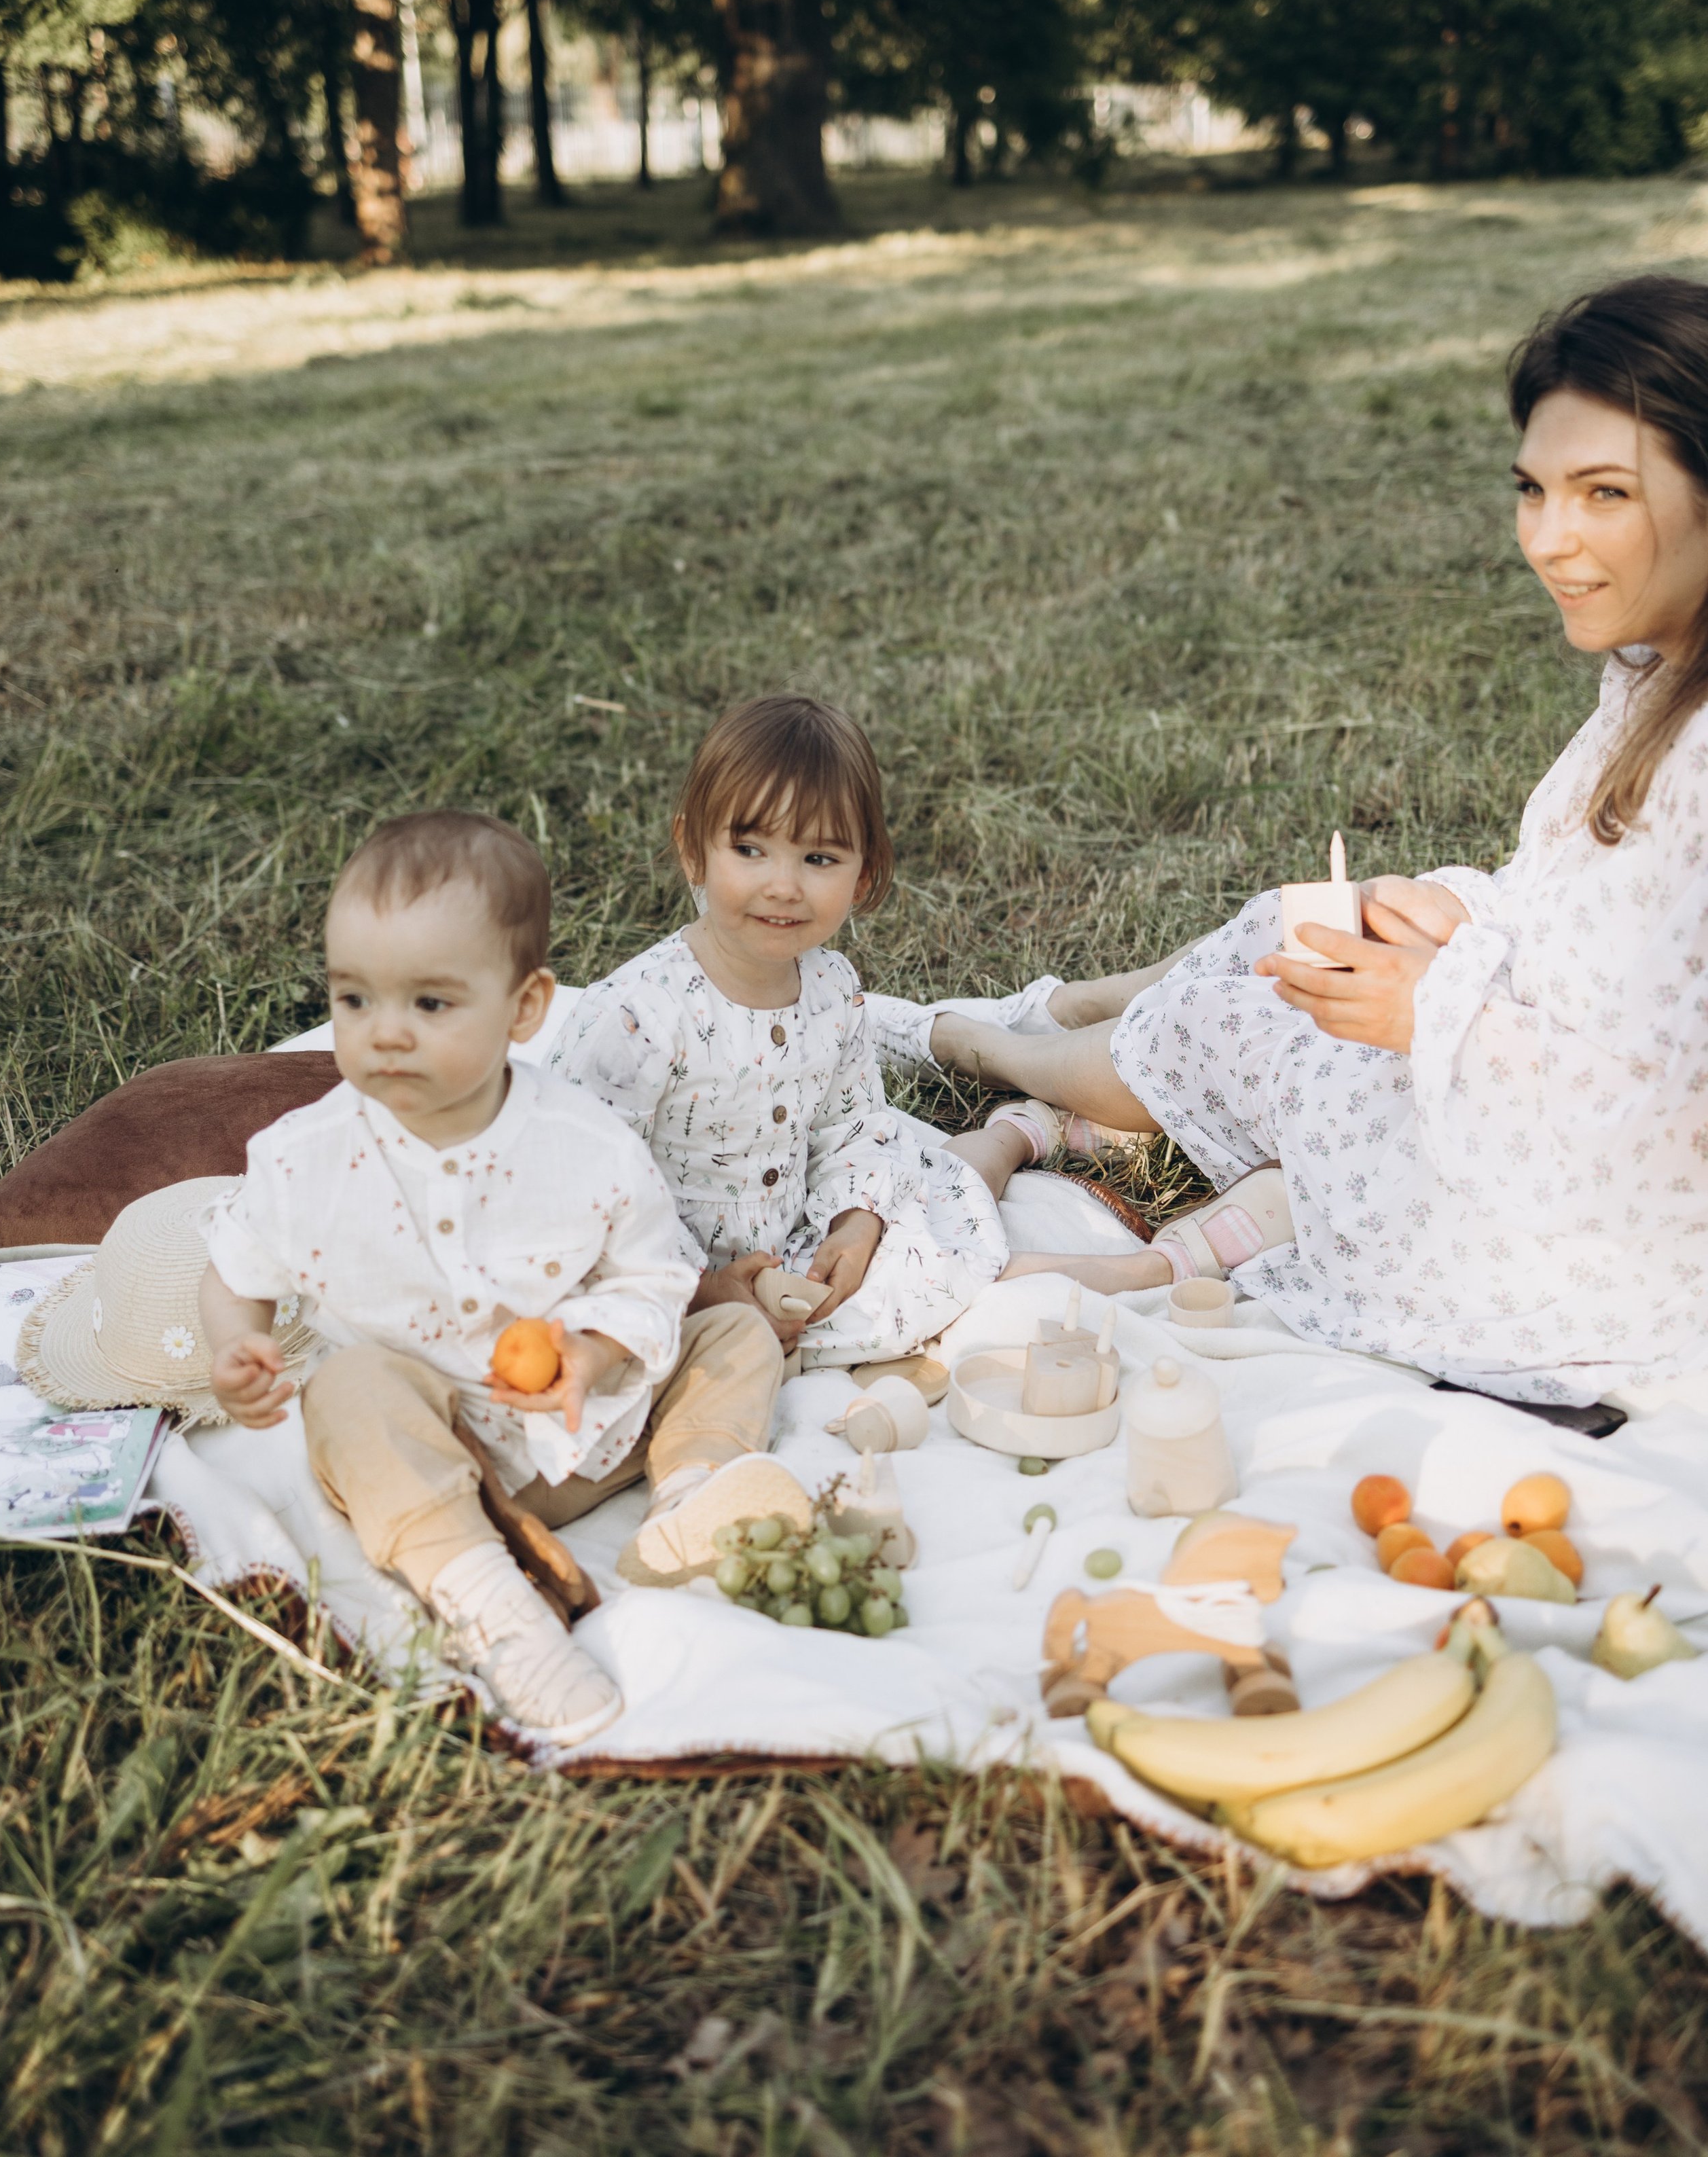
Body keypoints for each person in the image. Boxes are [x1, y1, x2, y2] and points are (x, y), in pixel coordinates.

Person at [871, 275, 1708, 1407]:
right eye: (1533, 489)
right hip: (1543, 1116)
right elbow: (1600, 915)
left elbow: (1667, 1119)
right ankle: (1059, 1016)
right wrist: (1464, 916)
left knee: (1269, 1007)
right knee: (1304, 928)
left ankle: (980, 1046)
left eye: (1605, 494)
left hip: (1605, 1263)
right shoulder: (1660, 673)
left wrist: (1434, 1011)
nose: (1550, 541)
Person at [196, 810, 805, 1748]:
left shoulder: (587, 1145)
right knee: (347, 1387)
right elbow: (235, 1266)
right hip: (443, 1451)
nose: (385, 1034)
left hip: (600, 1425)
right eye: (355, 1000)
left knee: (734, 1332)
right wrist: (234, 1343)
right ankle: (487, 1596)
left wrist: (596, 1351)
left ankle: (692, 1501)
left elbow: (656, 1275)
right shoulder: (306, 1159)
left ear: (524, 1009)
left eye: (430, 1005)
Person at [549, 697, 1163, 1371]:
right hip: (656, 1270)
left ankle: (1062, 1204)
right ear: (693, 851)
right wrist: (698, 1289)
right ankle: (1016, 1165)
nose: (782, 886)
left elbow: (851, 1125)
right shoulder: (639, 1016)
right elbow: (588, 1184)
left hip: (793, 1245)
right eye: (750, 850)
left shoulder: (832, 987)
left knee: (916, 1227)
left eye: (818, 858)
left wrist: (855, 1220)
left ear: (862, 875)